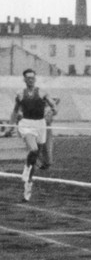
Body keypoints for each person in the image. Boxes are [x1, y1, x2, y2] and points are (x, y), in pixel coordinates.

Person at [9, 69, 58, 201]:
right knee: (34, 149)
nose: (31, 79)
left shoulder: (42, 92)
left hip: (40, 125)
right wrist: (10, 126)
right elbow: (15, 112)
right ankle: (26, 169)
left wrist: (52, 111)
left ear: (35, 79)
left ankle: (28, 184)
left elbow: (54, 107)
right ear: (24, 79)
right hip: (26, 124)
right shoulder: (20, 94)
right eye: (28, 78)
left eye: (32, 77)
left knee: (36, 155)